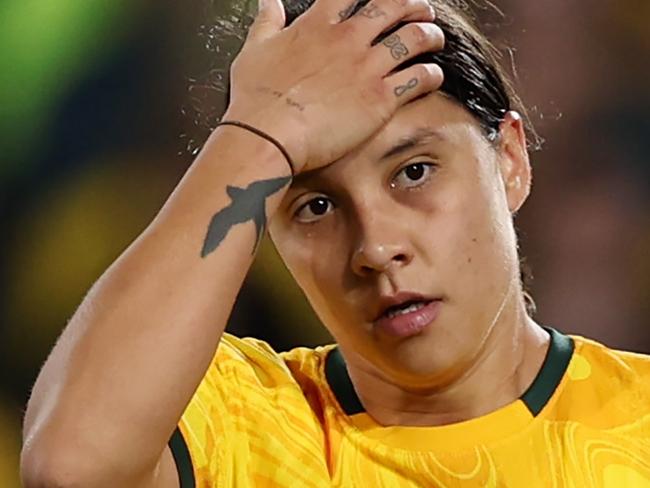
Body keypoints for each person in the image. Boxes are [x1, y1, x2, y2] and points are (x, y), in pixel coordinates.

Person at [20, 0, 650, 486]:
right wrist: (256, 131)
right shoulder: (240, 422)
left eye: (414, 171)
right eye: (315, 205)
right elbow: (70, 467)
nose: (375, 247)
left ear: (510, 158)